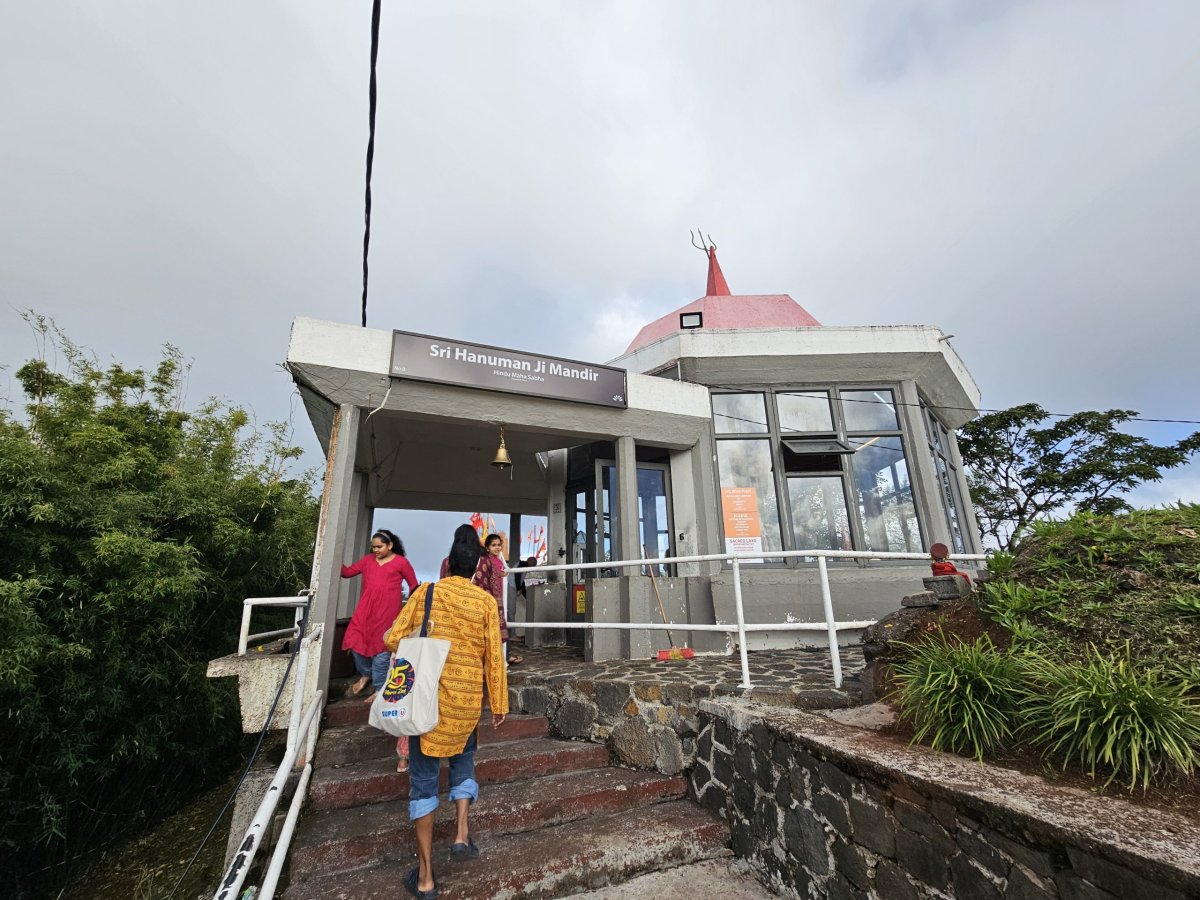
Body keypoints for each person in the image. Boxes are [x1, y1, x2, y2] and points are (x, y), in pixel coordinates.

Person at [385, 524, 507, 900]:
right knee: (463, 764)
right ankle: (460, 836)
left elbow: (392, 637)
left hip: (427, 701)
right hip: (467, 703)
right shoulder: (484, 602)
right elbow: (494, 657)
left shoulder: (426, 592)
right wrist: (499, 704)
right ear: (474, 570)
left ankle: (424, 879)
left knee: (424, 779)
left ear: (449, 564)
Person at [440, 532, 522, 665]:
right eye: (494, 545)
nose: (497, 548)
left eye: (499, 545)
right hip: (485, 602)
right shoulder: (485, 561)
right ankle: (495, 660)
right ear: (486, 547)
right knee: (489, 632)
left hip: (460, 604)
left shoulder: (448, 561)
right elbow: (492, 584)